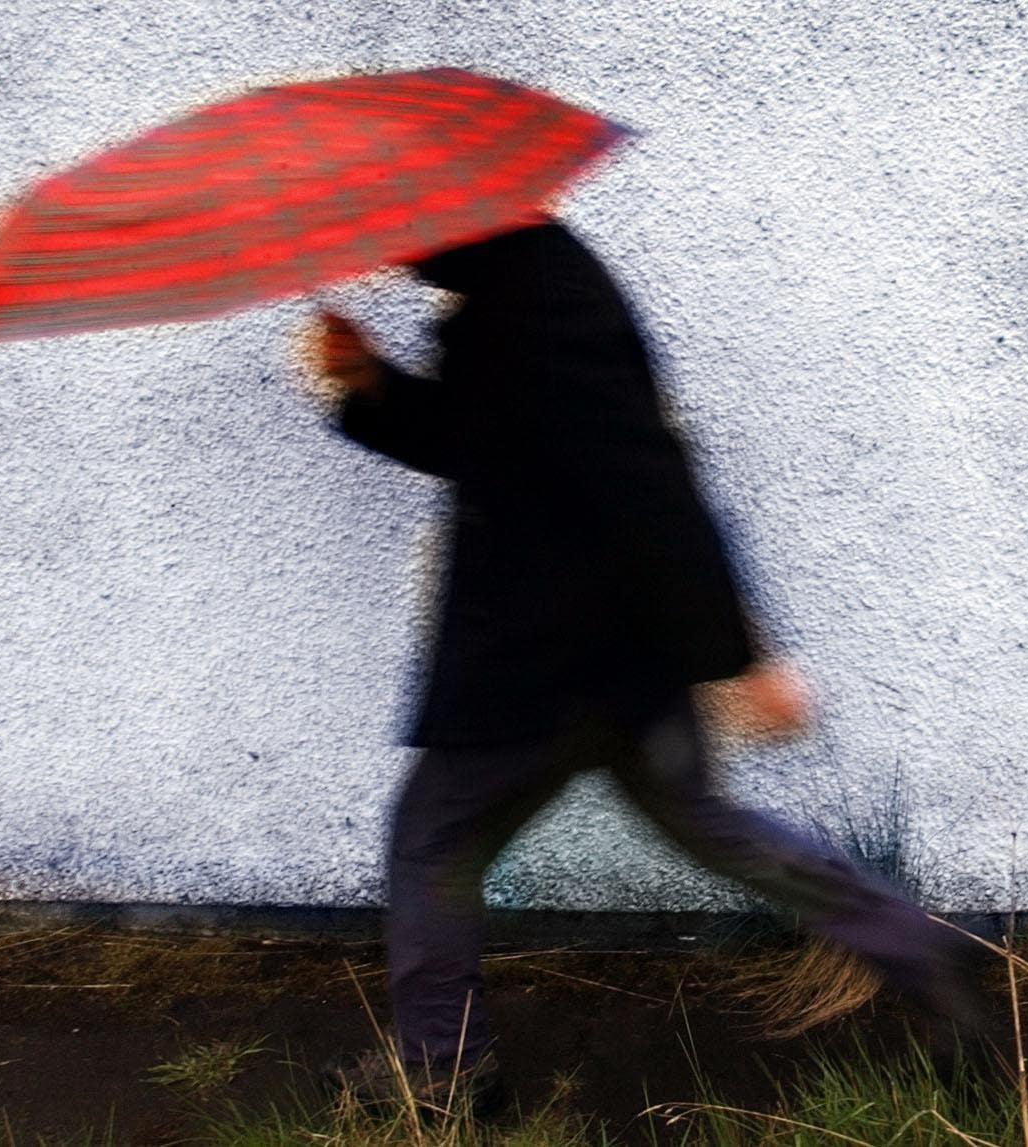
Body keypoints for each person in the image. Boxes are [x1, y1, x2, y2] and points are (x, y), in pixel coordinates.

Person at [310, 218, 985, 1113]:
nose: (387, 243)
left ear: (454, 215)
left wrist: (741, 659)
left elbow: (646, 477)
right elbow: (486, 446)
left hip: (549, 667)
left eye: (399, 222)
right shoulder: (517, 294)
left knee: (433, 841)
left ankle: (442, 1075)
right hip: (615, 662)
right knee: (715, 829)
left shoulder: (539, 303)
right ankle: (921, 949)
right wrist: (371, 384)